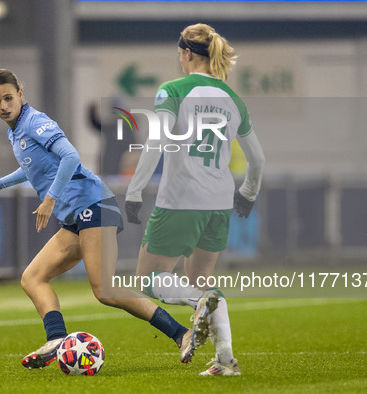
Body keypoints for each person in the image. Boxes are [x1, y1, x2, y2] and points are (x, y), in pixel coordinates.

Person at [0, 69, 204, 369]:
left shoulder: (35, 122)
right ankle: (56, 339)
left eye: (8, 98)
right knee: (32, 278)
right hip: (77, 217)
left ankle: (182, 333)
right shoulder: (15, 130)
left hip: (93, 204)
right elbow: (33, 167)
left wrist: (50, 199)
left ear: (21, 94)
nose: (3, 106)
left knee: (104, 289)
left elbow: (70, 157)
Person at [124, 23, 265, 376]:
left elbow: (155, 143)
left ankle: (198, 303)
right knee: (201, 279)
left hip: (180, 199)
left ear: (186, 53)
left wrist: (134, 191)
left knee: (149, 277)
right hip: (219, 202)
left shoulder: (172, 90)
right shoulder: (233, 99)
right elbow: (258, 159)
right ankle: (225, 360)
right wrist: (247, 194)